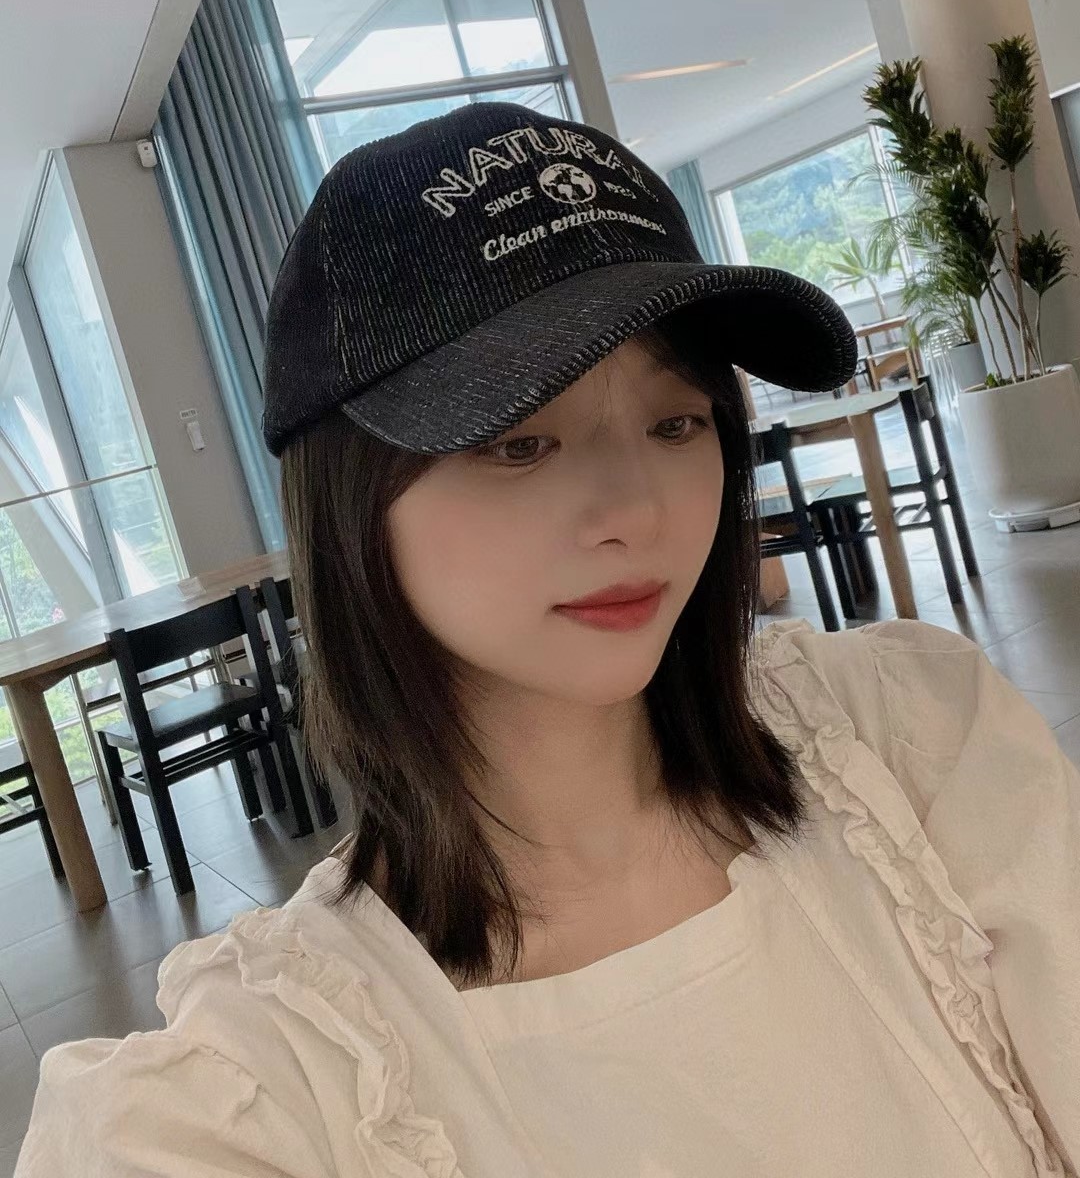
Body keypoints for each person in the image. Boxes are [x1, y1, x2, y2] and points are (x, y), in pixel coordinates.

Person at [16, 103, 1080, 1176]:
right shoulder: (259, 1088)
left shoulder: (911, 736)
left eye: (676, 423)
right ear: (351, 501)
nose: (637, 510)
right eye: (520, 442)